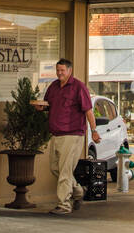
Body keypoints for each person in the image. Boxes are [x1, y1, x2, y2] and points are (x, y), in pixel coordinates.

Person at [31, 58, 100, 215]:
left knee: (64, 171)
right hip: (55, 134)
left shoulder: (78, 87)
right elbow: (48, 105)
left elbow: (88, 110)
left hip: (72, 134)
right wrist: (40, 108)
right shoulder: (54, 87)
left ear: (70, 70)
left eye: (63, 70)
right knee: (55, 168)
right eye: (58, 70)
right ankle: (78, 191)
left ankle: (64, 204)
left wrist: (94, 130)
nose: (60, 73)